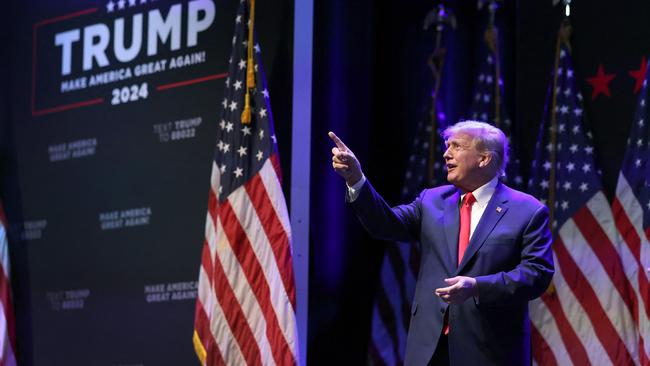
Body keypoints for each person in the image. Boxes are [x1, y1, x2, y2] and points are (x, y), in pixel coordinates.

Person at [329, 120, 554, 366]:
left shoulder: (527, 210)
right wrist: (356, 179)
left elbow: (537, 274)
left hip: (490, 350)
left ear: (484, 159)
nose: (446, 153)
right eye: (447, 146)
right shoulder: (432, 200)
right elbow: (385, 223)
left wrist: (477, 286)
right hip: (429, 348)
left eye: (456, 146)